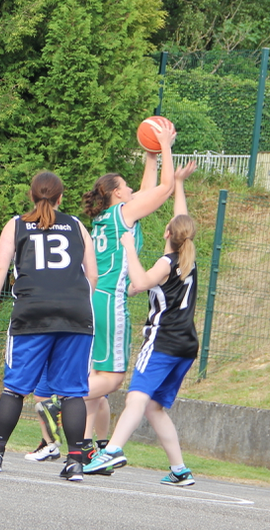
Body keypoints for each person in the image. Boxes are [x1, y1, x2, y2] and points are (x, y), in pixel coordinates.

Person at [0, 171, 98, 482]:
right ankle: (75, 463)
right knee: (72, 392)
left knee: (15, 388)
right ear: (61, 198)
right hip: (76, 313)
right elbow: (92, 275)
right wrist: (75, 302)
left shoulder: (17, 224)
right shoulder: (77, 225)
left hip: (32, 312)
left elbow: (0, 268)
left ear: (31, 196)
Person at [83, 162, 199, 483]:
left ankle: (112, 449)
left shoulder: (163, 263)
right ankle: (179, 470)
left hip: (162, 340)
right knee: (154, 408)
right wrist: (179, 184)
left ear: (167, 234)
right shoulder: (188, 261)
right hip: (187, 344)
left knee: (135, 396)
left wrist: (130, 250)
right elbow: (180, 219)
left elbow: (142, 281)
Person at [80, 122, 177, 455]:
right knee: (112, 378)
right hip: (110, 299)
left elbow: (147, 190)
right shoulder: (123, 213)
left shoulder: (108, 216)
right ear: (118, 194)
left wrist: (151, 156)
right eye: (126, 186)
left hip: (91, 298)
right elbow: (164, 188)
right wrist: (165, 145)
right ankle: (61, 400)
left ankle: (82, 447)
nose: (132, 189)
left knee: (96, 376)